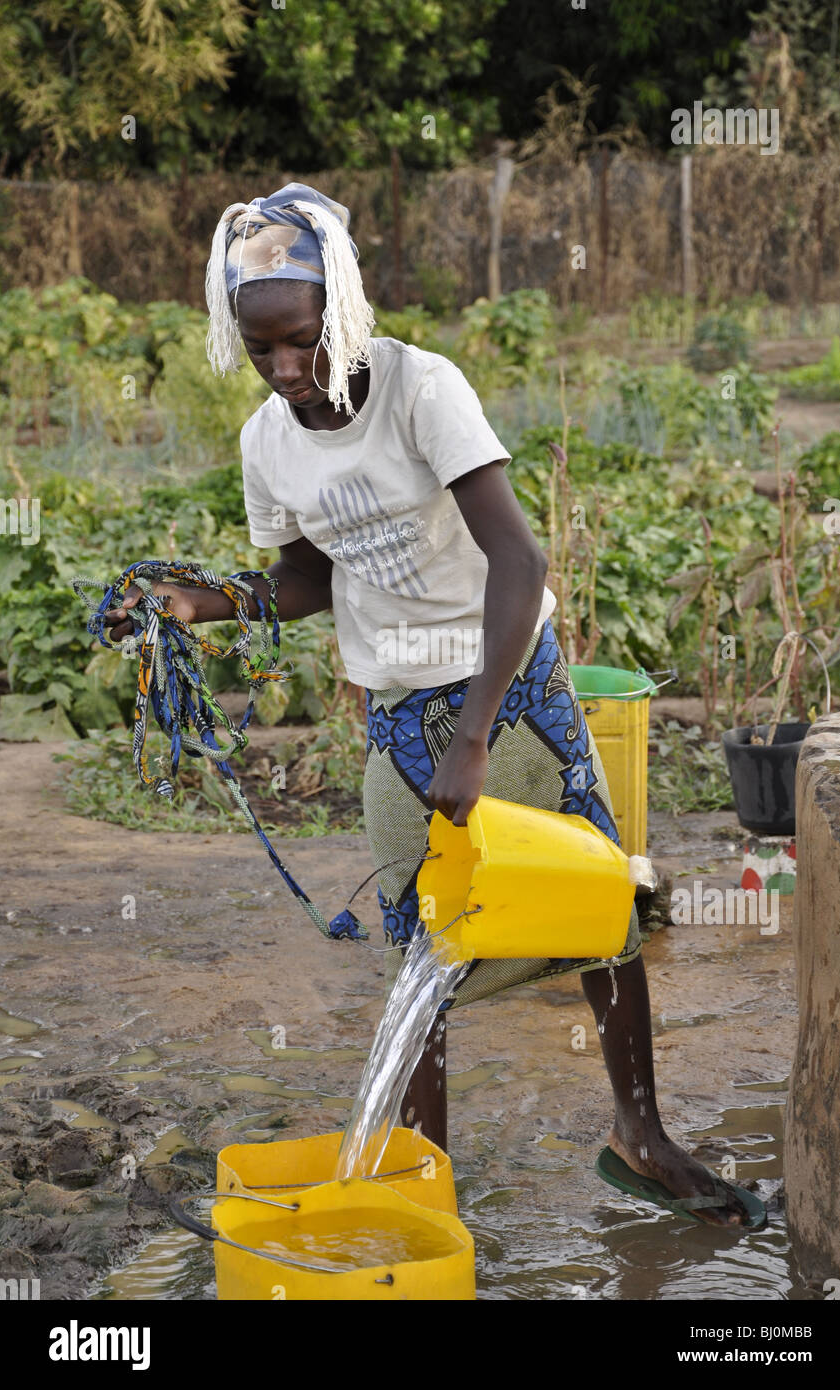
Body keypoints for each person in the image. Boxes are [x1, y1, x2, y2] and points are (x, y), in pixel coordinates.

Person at [106, 182, 750, 1227]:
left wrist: (479, 735)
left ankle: (640, 1128)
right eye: (259, 350)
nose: (284, 373)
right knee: (426, 949)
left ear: (343, 313)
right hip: (400, 716)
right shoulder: (268, 441)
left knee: (601, 911)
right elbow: (307, 579)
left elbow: (516, 556)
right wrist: (209, 603)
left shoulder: (421, 389)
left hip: (514, 684)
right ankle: (423, 1184)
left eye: (300, 343)